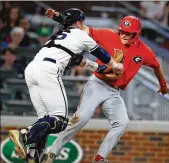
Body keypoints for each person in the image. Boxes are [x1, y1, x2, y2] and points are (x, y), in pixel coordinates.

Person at [41, 8, 169, 163]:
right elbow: (81, 28)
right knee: (81, 119)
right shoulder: (108, 35)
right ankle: (52, 153)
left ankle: (99, 158)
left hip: (114, 92)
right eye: (122, 30)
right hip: (97, 84)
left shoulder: (144, 51)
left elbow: (156, 66)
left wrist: (163, 84)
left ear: (136, 34)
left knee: (122, 122)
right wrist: (58, 17)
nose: (123, 34)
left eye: (128, 32)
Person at [8, 8, 123, 163]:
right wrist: (114, 65)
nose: (83, 25)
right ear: (78, 22)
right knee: (60, 120)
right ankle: (24, 135)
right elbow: (100, 52)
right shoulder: (81, 35)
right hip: (48, 71)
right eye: (82, 22)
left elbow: (77, 60)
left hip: (32, 70)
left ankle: (34, 156)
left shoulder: (58, 36)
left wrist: (99, 68)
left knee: (45, 121)